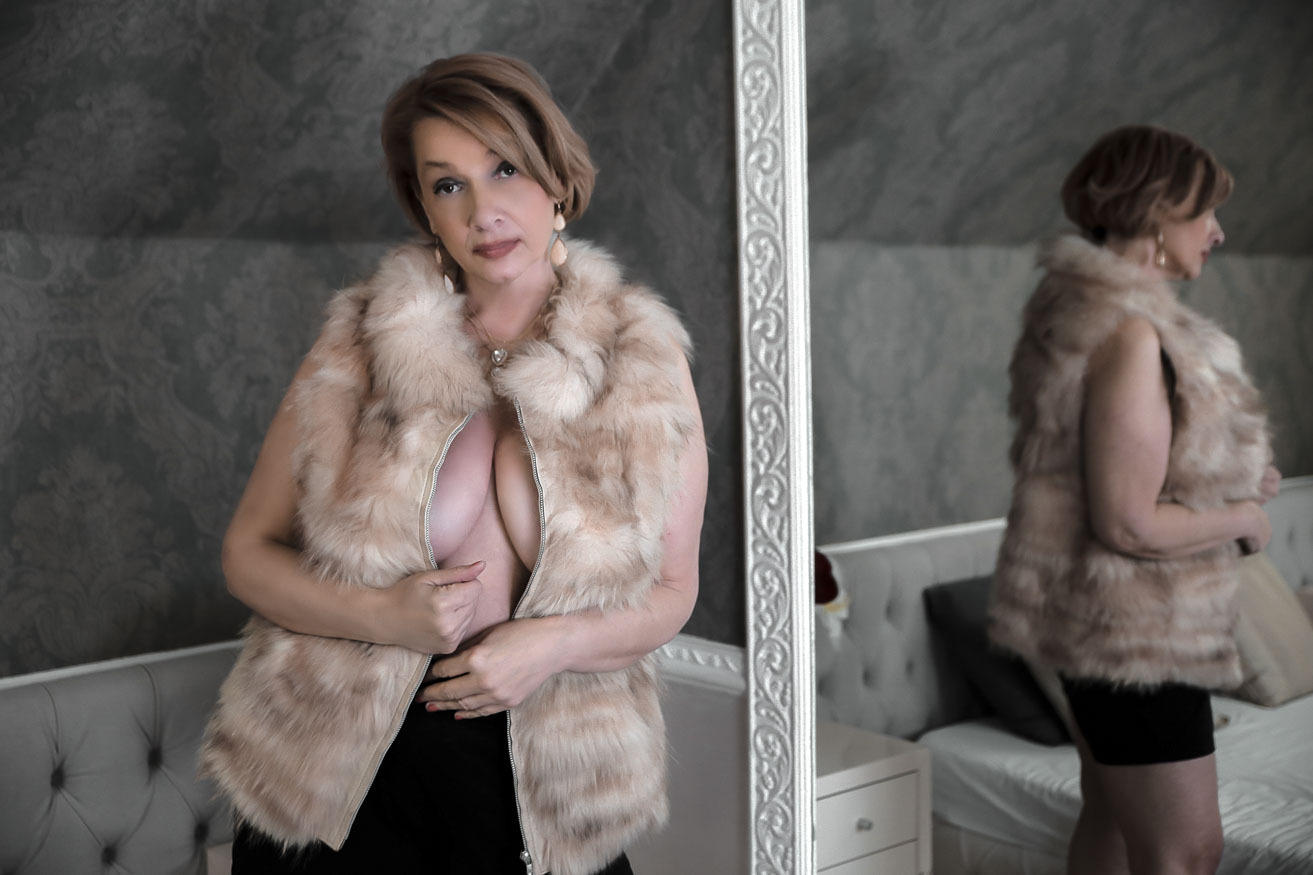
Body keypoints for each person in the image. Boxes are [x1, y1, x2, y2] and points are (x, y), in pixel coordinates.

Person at [201, 53, 708, 875]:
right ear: (424, 207)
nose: (482, 210)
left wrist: (553, 644)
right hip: (339, 780)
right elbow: (246, 554)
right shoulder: (361, 340)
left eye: (504, 168)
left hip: (546, 784)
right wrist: (383, 615)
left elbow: (672, 590)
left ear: (555, 177)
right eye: (448, 184)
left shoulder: (640, 358)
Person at [988, 125, 1278, 875]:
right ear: (1157, 214)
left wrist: (1229, 479)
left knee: (1112, 822)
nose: (1217, 232)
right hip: (1138, 634)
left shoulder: (1080, 316)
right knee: (1187, 852)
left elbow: (1114, 468)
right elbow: (1128, 521)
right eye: (1204, 212)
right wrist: (1242, 518)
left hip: (1094, 625)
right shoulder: (1132, 336)